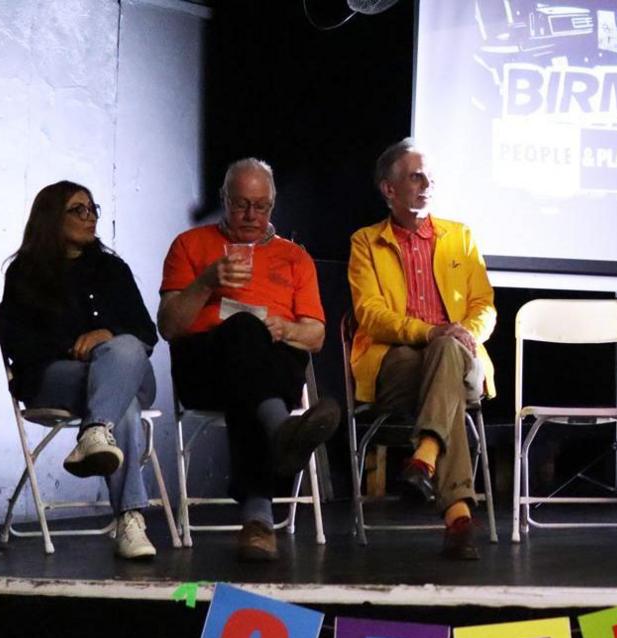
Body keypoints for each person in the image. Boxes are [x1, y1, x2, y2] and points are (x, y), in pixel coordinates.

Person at [157, 158, 339, 562]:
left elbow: (316, 335)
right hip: (206, 366)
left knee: (253, 361)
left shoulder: (296, 258)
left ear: (272, 205)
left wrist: (283, 329)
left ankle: (259, 517)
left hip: (272, 364)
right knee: (242, 333)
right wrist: (207, 282)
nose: (251, 216)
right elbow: (169, 326)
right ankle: (281, 433)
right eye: (241, 205)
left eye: (260, 206)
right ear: (224, 200)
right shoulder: (189, 246)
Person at [347, 139, 497, 560]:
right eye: (415, 176)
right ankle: (457, 513)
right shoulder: (365, 242)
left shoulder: (460, 236)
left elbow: (484, 306)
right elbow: (370, 314)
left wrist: (462, 334)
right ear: (389, 189)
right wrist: (428, 333)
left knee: (448, 356)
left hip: (459, 360)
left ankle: (425, 460)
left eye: (430, 177)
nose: (427, 184)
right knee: (442, 360)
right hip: (393, 365)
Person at [0, 181, 161, 559]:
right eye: (78, 210)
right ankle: (130, 519)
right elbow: (19, 343)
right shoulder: (24, 273)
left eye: (92, 209)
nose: (90, 217)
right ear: (53, 217)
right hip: (55, 378)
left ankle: (94, 431)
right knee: (124, 407)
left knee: (127, 346)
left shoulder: (113, 268)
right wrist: (74, 348)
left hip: (125, 371)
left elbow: (146, 333)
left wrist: (107, 336)